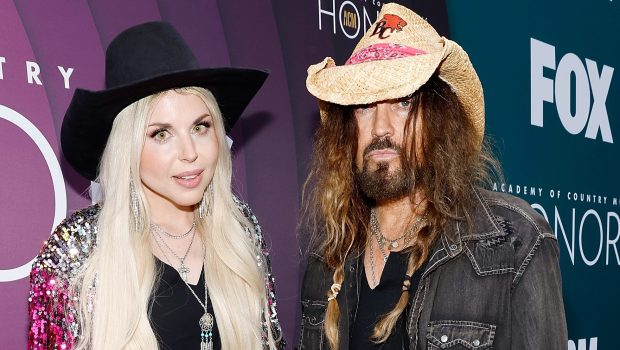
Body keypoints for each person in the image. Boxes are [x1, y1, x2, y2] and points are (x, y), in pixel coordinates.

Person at [299, 3, 567, 349]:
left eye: (404, 102)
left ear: (440, 121)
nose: (381, 127)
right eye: (364, 105)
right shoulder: (329, 258)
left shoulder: (512, 243)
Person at [27, 21, 284, 350]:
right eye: (161, 133)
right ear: (128, 148)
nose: (190, 153)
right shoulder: (76, 252)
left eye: (200, 127)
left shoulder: (240, 230)